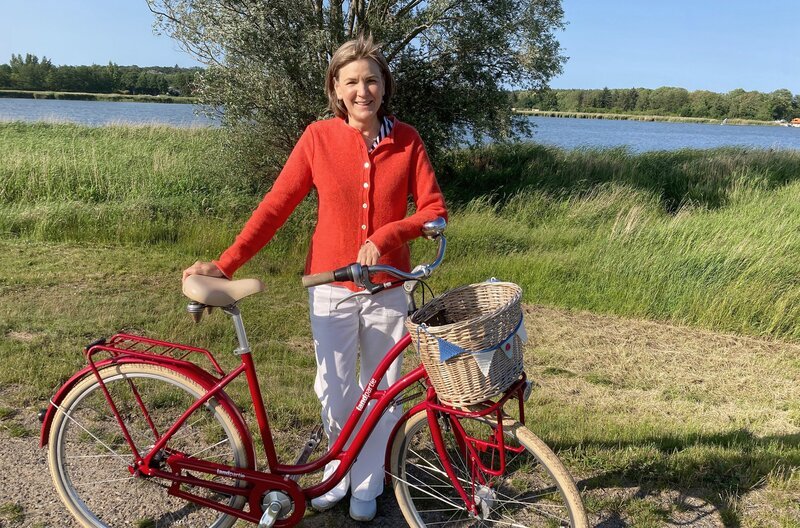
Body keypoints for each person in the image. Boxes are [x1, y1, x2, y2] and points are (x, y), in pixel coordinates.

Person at [182, 35, 447, 522]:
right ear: (336, 89)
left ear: (385, 86)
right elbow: (276, 207)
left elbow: (433, 209)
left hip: (389, 287)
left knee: (382, 392)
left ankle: (367, 485)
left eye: (372, 80)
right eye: (352, 82)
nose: (363, 90)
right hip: (329, 287)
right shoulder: (318, 137)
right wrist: (226, 263)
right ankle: (336, 475)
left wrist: (390, 234)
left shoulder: (407, 139)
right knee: (335, 388)